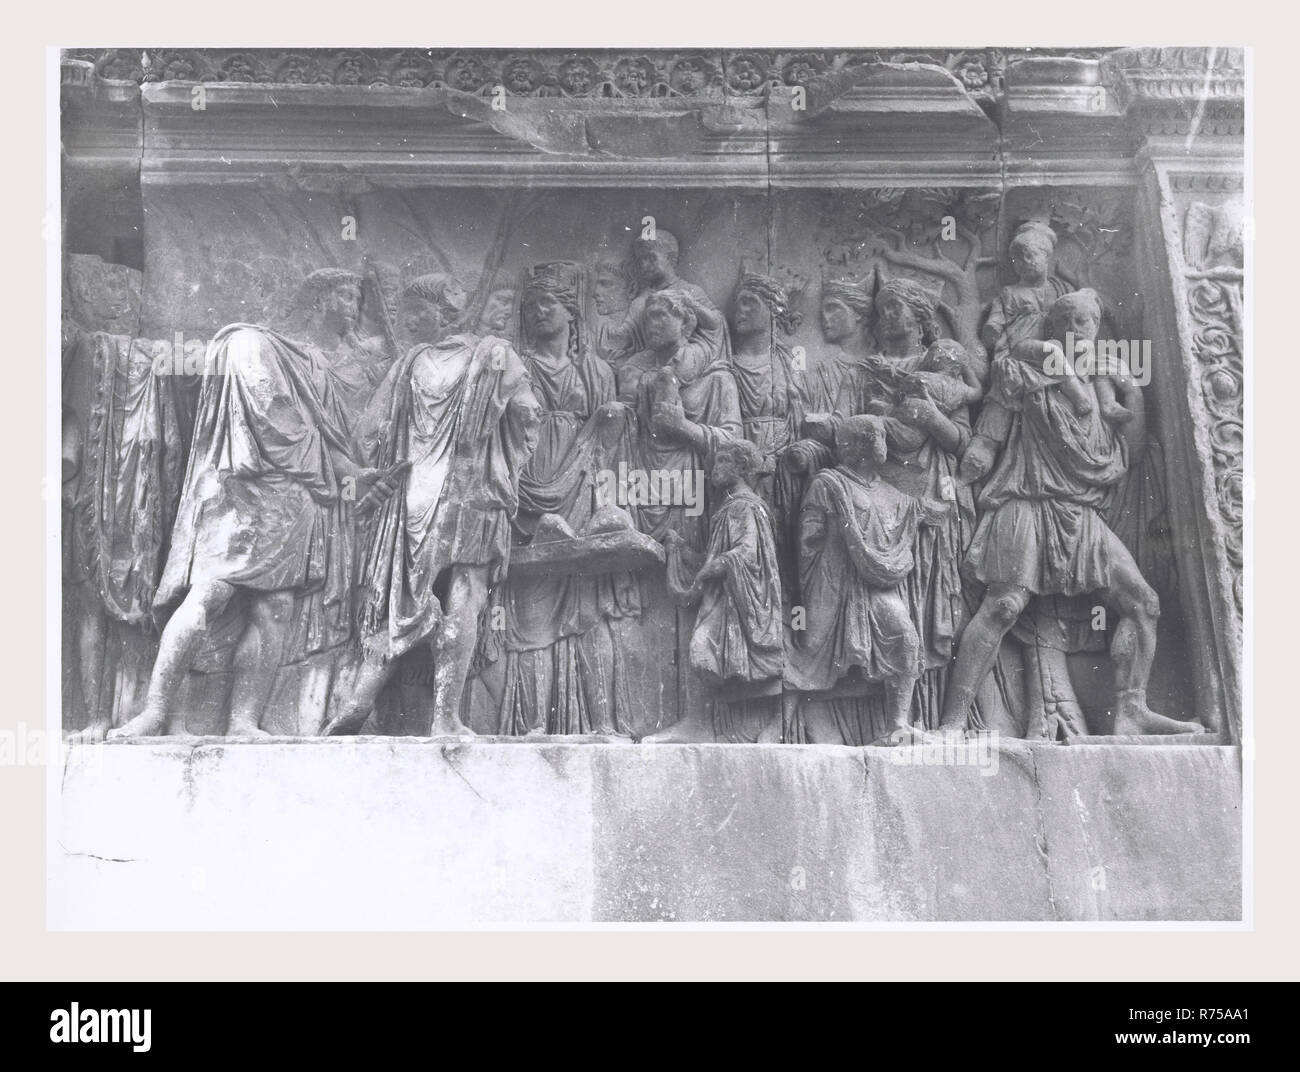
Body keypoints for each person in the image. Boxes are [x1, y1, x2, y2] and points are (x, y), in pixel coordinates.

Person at [110, 317, 386, 738]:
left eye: (356, 302)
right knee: (210, 593)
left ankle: (243, 720)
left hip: (290, 499)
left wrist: (352, 476)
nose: (352, 310)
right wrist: (332, 471)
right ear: (315, 303)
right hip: (239, 488)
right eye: (344, 299)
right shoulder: (249, 342)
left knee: (275, 608)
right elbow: (271, 414)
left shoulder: (312, 361)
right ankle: (155, 711)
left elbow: (328, 433)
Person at [945, 288, 1203, 737]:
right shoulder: (1022, 371)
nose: (1072, 330)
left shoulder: (1105, 384)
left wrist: (1131, 390)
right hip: (1026, 501)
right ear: (1051, 329)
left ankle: (1130, 711)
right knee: (1003, 606)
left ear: (1096, 328)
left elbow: (1133, 453)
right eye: (1063, 322)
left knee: (1143, 603)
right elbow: (987, 440)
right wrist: (957, 484)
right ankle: (950, 724)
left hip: (1079, 513)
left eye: (1082, 322)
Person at [323, 274, 541, 737]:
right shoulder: (495, 355)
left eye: (412, 312)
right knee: (467, 595)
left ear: (439, 312)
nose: (404, 322)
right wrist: (508, 464)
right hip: (474, 495)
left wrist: (377, 475)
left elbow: (369, 432)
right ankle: (445, 718)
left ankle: (359, 700)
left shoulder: (409, 364)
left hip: (412, 501)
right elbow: (527, 415)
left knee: (399, 597)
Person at [490, 262, 639, 736]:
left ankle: (603, 724)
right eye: (530, 305)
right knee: (532, 613)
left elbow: (612, 447)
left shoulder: (595, 370)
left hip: (582, 487)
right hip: (528, 487)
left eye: (547, 303)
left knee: (589, 608)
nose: (538, 312)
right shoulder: (518, 364)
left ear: (571, 311)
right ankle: (532, 726)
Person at [783, 416, 948, 744]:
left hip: (877, 586)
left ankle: (897, 724)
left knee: (906, 639)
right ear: (854, 446)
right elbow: (807, 538)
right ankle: (784, 723)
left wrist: (952, 483)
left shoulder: (891, 493)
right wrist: (833, 538)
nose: (883, 442)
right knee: (811, 649)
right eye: (877, 436)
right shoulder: (828, 484)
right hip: (834, 583)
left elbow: (930, 511)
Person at [648, 439, 784, 743]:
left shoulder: (744, 507)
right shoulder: (729, 507)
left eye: (723, 461)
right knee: (705, 654)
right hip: (726, 595)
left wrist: (710, 570)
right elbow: (717, 556)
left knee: (702, 651)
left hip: (739, 598)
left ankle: (707, 723)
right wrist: (682, 550)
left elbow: (745, 553)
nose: (714, 469)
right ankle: (700, 722)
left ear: (742, 468)